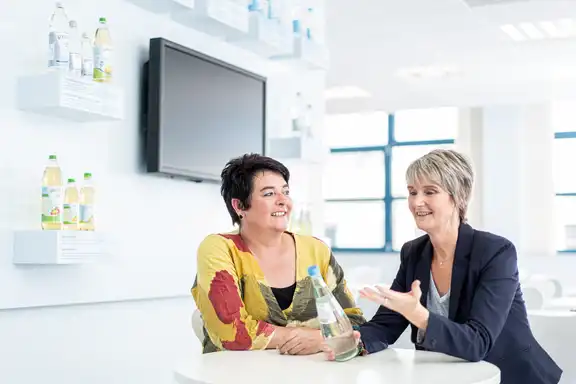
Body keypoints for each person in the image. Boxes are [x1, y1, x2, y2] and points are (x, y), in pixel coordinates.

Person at [325, 149, 562, 384]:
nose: (417, 202)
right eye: (412, 192)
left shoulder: (495, 252)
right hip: (451, 377)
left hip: (508, 377)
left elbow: (477, 342)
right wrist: (354, 341)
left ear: (458, 197)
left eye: (430, 192)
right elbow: (386, 325)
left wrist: (418, 314)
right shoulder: (413, 252)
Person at [191, 153, 365, 354]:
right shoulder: (219, 248)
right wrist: (319, 336)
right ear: (239, 206)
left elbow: (353, 321)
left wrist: (319, 340)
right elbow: (233, 331)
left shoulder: (317, 250)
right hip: (235, 374)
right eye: (269, 194)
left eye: (286, 191)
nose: (283, 201)